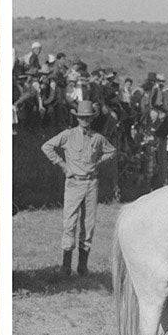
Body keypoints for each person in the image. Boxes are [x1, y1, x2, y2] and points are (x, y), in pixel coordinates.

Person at [41, 99, 117, 277]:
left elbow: (112, 151)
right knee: (70, 222)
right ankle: (66, 266)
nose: (85, 120)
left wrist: (98, 162)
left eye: (88, 117)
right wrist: (62, 165)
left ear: (92, 118)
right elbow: (47, 146)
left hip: (91, 183)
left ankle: (83, 266)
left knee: (88, 225)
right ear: (77, 118)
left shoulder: (97, 138)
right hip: (74, 183)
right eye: (82, 117)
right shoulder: (68, 135)